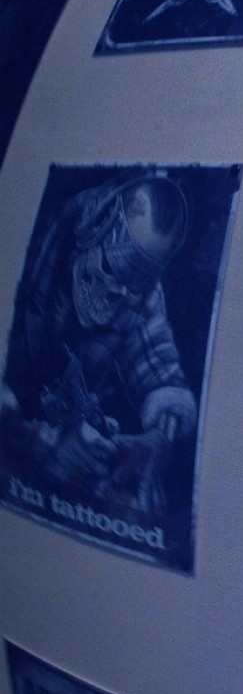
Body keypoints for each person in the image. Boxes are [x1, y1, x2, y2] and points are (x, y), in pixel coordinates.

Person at [0, 172, 196, 514]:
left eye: (137, 279)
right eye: (113, 264)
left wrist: (159, 440)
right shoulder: (23, 236)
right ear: (95, 224)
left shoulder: (142, 293)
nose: (120, 291)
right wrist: (38, 443)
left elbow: (160, 371)